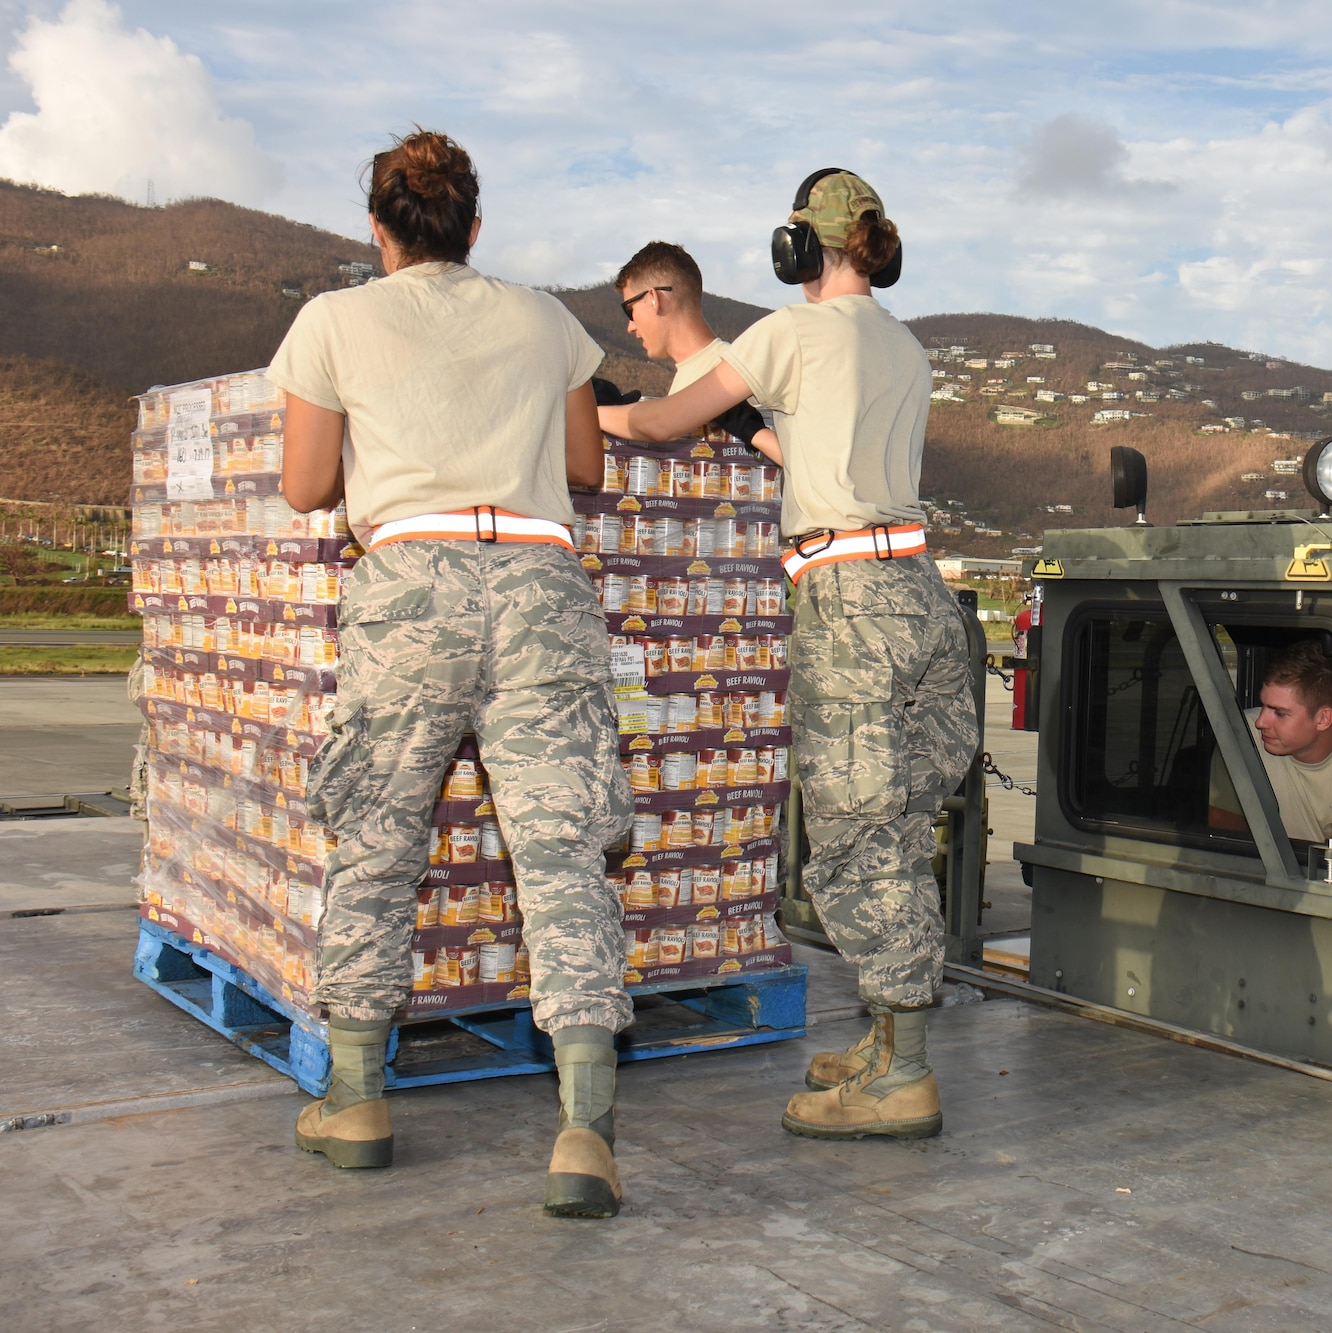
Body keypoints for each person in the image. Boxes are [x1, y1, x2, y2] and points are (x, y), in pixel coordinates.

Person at [271, 128, 633, 1219]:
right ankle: (583, 1131)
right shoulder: (542, 319)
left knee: (378, 842)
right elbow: (583, 468)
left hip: (409, 587)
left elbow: (303, 484)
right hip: (535, 581)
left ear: (376, 227)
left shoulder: (332, 319)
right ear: (475, 227)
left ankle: (356, 1100)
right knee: (561, 850)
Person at [600, 168, 977, 1141]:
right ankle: (891, 1039)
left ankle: (906, 1075)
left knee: (854, 836)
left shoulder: (787, 333)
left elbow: (657, 423)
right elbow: (803, 446)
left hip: (845, 598)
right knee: (899, 822)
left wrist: (592, 411)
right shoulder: (905, 347)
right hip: (920, 591)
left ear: (798, 247)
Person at [1209, 639, 1332, 850]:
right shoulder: (1242, 735)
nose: (1260, 722)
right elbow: (1224, 843)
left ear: (1323, 719)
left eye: (1279, 712)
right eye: (1263, 705)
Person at [607, 240, 777, 457]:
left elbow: (659, 424)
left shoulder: (737, 371)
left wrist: (583, 412)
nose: (630, 327)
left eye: (630, 311)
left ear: (653, 299)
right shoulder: (694, 375)